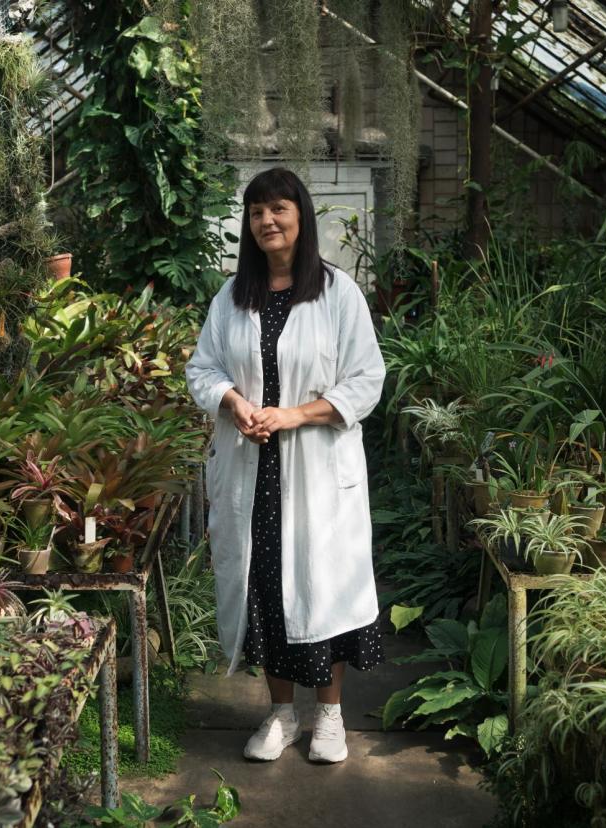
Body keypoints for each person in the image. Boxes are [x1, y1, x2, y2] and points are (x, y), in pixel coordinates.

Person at [186, 167, 386, 764]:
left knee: (323, 587)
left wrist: (296, 415)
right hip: (253, 470)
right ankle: (280, 715)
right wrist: (236, 402)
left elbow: (367, 379)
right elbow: (202, 369)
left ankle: (328, 716)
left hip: (318, 469)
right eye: (255, 212)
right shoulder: (232, 297)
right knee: (266, 589)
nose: (267, 221)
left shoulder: (336, 292)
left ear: (301, 216)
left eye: (278, 209)